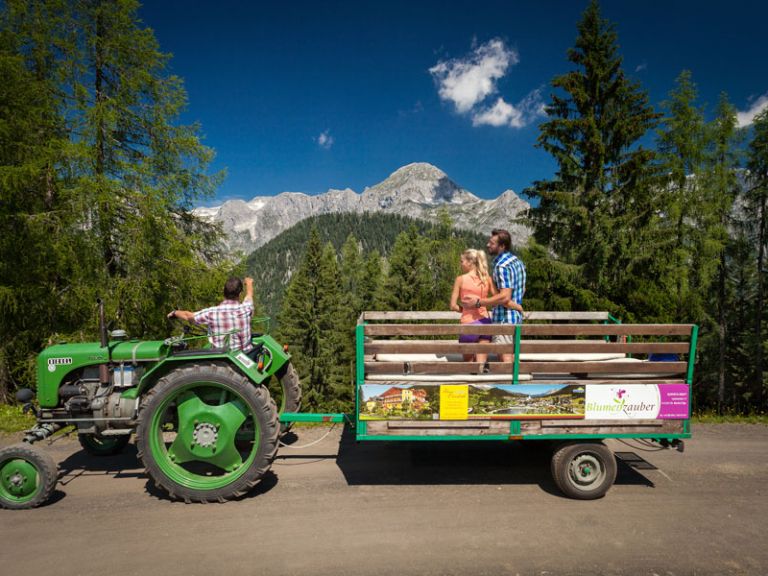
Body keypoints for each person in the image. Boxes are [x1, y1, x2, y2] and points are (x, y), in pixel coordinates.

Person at [461, 229, 526, 364]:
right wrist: (517, 306)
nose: (487, 245)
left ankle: (509, 385)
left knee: (505, 357)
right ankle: (515, 383)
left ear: (502, 246)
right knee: (511, 355)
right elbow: (518, 290)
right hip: (515, 318)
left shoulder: (501, 266)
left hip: (504, 319)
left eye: (492, 243)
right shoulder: (517, 262)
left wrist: (479, 302)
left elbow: (504, 297)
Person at [168, 276, 255, 352]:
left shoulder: (211, 313)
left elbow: (189, 316)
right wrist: (249, 282)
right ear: (240, 294)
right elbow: (249, 295)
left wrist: (175, 313)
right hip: (246, 356)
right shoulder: (246, 309)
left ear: (223, 291)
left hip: (223, 360)